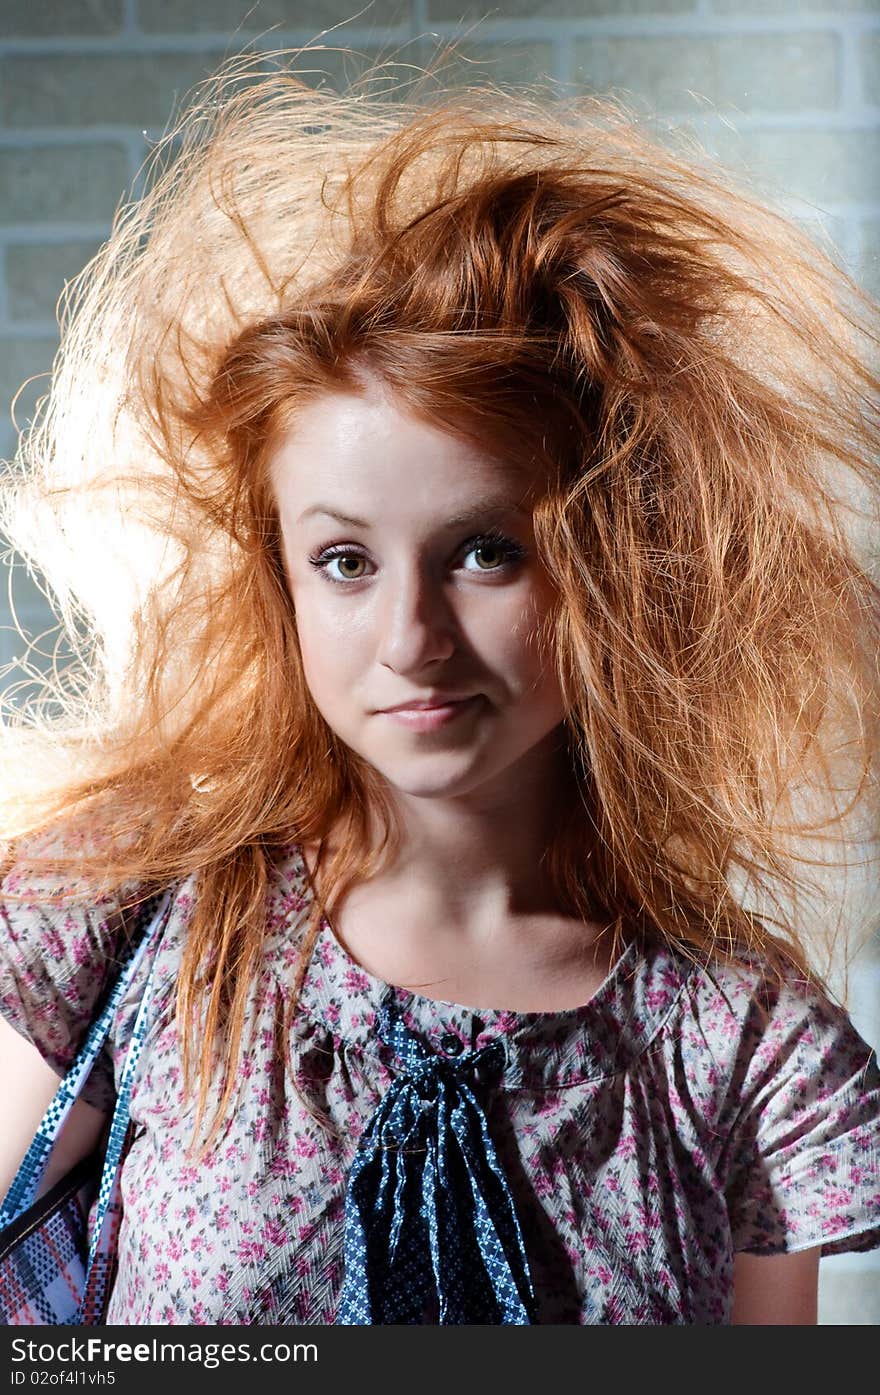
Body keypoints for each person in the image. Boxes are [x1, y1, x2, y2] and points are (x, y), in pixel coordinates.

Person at [0, 55, 878, 1326]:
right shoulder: (128, 927)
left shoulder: (743, 1050)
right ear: (280, 583)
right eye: (344, 561)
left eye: (485, 550)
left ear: (613, 569)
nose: (410, 637)